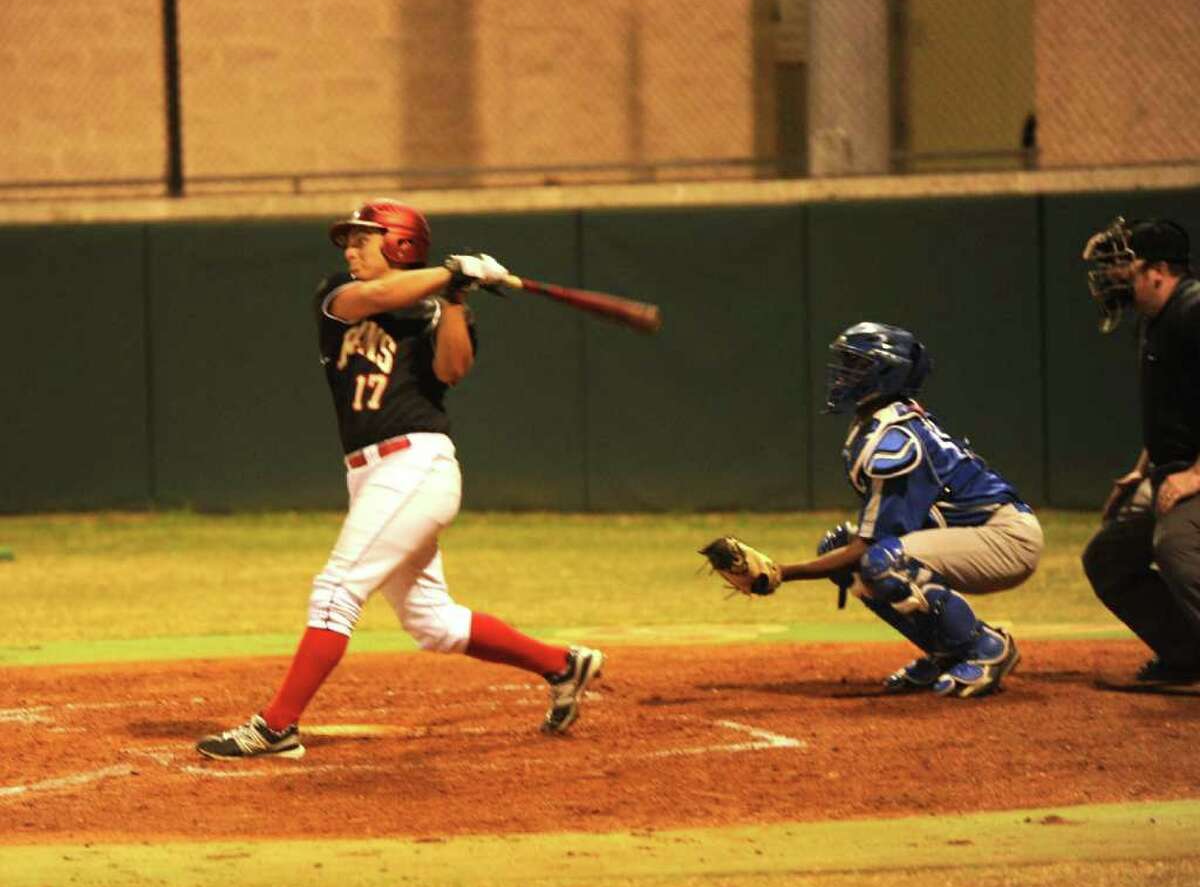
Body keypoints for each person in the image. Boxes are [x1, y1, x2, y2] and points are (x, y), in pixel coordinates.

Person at [197, 199, 604, 759]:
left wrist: (456, 298)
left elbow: (452, 370)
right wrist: (452, 272)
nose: (350, 248)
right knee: (432, 622)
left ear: (401, 244)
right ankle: (562, 666)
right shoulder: (337, 293)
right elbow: (376, 298)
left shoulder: (436, 310)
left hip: (415, 463)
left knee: (338, 589)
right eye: (350, 239)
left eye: (364, 238)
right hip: (369, 474)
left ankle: (276, 727)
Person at [705, 322, 1042, 698]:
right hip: (972, 532)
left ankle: (985, 648)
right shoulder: (880, 424)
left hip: (1005, 538)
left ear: (886, 373)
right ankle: (947, 651)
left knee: (882, 562)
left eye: (856, 364)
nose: (843, 373)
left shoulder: (894, 440)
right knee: (840, 546)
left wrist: (782, 573)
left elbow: (871, 548)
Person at [1080, 216, 1200, 684]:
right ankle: (1188, 656)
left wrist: (1194, 476)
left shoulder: (1194, 311)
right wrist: (1141, 471)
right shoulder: (1155, 322)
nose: (1115, 278)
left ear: (1159, 271)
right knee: (1109, 559)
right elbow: (1172, 412)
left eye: (1125, 267)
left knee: (1176, 547)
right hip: (1171, 471)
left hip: (1192, 475)